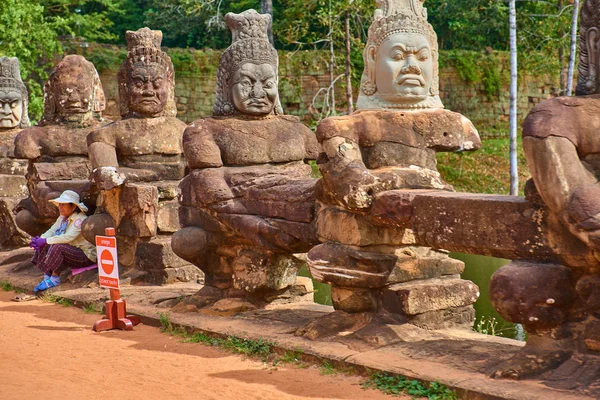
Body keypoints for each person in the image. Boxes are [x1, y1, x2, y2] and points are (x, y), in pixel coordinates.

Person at [29, 190, 96, 293]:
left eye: (64, 204)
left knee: (57, 246)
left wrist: (45, 240)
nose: (60, 207)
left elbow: (67, 238)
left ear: (73, 207)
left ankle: (55, 279)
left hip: (85, 255)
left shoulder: (80, 220)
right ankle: (47, 276)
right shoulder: (62, 218)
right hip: (72, 251)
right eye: (60, 204)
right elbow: (52, 231)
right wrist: (39, 240)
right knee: (44, 245)